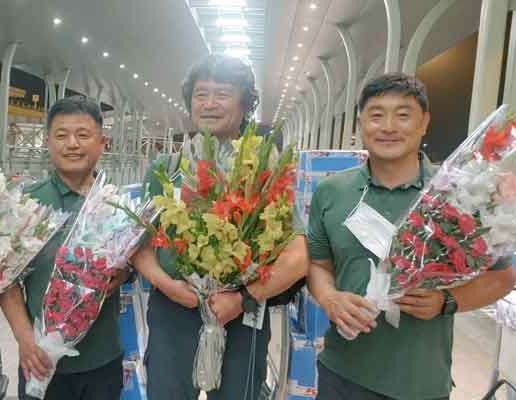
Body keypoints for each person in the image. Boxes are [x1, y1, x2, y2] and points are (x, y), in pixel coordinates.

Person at [306, 73, 516, 400]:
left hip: (421, 381)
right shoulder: (332, 191)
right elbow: (318, 265)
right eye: (376, 115)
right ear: (361, 123)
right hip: (342, 372)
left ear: (424, 123)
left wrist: (446, 301)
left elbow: (502, 278)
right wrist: (331, 299)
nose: (388, 126)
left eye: (403, 115)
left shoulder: (460, 195)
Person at [131, 54, 309, 400]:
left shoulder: (262, 171)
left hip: (240, 318)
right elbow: (139, 244)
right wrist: (167, 285)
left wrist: (242, 298)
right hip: (173, 315)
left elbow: (297, 254)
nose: (209, 104)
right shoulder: (166, 169)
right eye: (201, 94)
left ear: (245, 105)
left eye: (222, 94)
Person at [0, 96, 130, 400]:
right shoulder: (25, 202)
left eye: (83, 135)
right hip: (39, 359)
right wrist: (25, 340)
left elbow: (132, 266)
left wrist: (124, 272)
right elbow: (4, 279)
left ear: (101, 142)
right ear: (47, 142)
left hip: (102, 358)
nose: (72, 144)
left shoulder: (117, 205)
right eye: (61, 135)